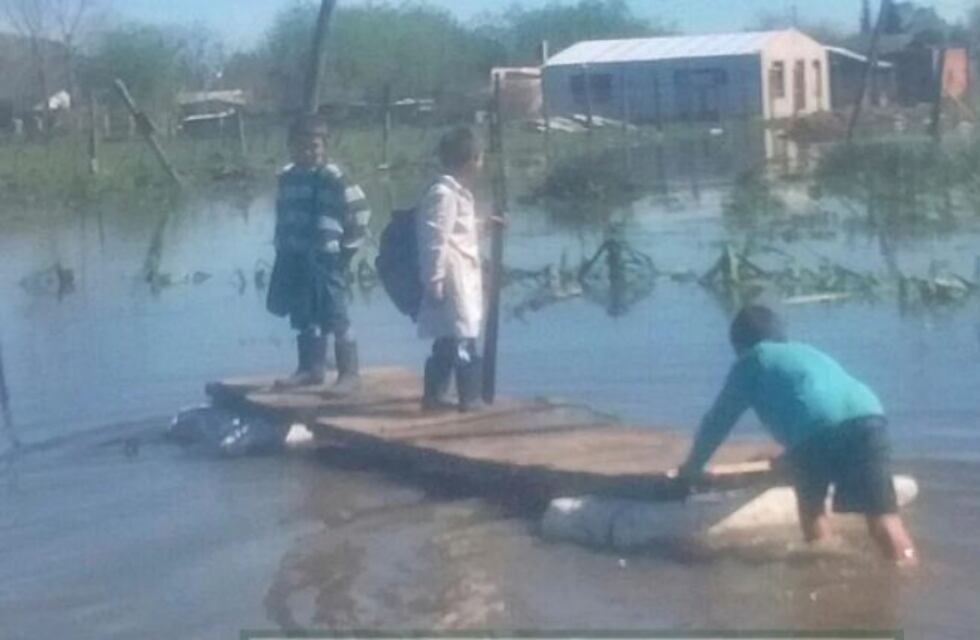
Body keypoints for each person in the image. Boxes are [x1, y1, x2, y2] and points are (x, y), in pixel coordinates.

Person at [676, 305, 917, 565]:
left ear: (738, 345)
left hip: (814, 432)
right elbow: (815, 398)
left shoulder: (751, 362)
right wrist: (790, 456)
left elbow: (717, 422)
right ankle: (907, 569)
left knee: (813, 514)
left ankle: (826, 572)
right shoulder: (806, 352)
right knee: (884, 518)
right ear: (781, 336)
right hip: (869, 416)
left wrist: (692, 468)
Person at [266, 115, 370, 394]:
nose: (308, 153)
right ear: (291, 147)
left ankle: (349, 373)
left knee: (335, 312)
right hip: (295, 255)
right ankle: (310, 369)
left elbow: (360, 212)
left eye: (314, 146)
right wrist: (282, 245)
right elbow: (283, 214)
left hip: (326, 257)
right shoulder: (287, 177)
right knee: (303, 313)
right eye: (301, 147)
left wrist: (347, 248)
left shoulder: (334, 178)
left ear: (325, 147)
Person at [416, 127, 486, 412]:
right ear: (471, 160)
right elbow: (435, 238)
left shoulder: (459, 194)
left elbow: (461, 232)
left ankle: (436, 396)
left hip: (463, 274)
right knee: (461, 337)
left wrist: (487, 226)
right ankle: (468, 397)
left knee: (451, 335)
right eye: (480, 159)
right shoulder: (443, 194)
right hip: (451, 275)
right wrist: (435, 278)